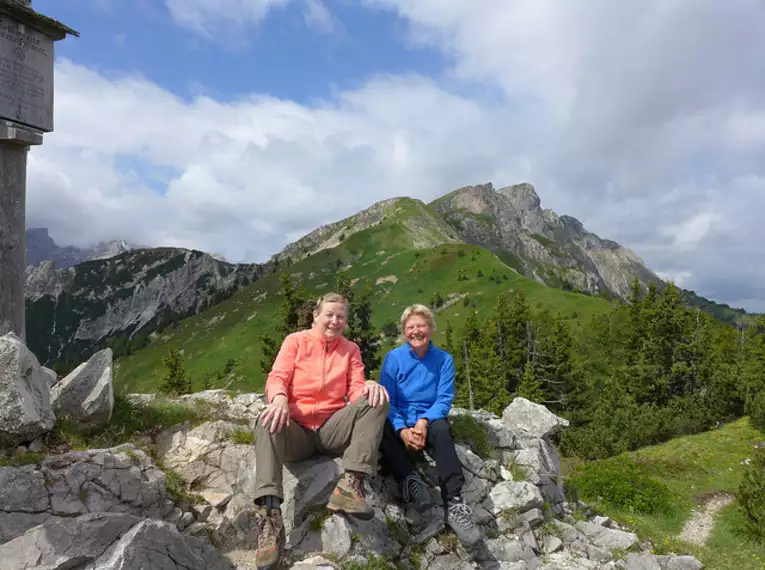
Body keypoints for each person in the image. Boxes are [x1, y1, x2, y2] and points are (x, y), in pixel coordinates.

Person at [252, 292, 390, 570]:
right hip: (297, 432)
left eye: (341, 317)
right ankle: (270, 519)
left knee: (378, 398)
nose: (335, 321)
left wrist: (369, 386)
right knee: (265, 420)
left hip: (330, 431)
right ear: (316, 316)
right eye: (329, 315)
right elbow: (277, 377)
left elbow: (355, 390)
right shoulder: (296, 342)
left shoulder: (350, 350)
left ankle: (349, 486)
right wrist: (278, 398)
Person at [378, 304, 481, 547]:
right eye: (410, 327)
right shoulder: (394, 358)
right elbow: (387, 399)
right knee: (380, 425)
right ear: (404, 331)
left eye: (421, 326)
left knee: (443, 431)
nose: (416, 331)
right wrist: (402, 430)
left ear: (431, 329)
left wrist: (424, 422)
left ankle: (454, 501)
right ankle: (411, 481)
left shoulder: (444, 359)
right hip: (400, 417)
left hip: (429, 418)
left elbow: (444, 399)